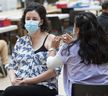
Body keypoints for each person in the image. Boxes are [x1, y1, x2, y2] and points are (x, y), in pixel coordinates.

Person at [2, 2, 60, 96]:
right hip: (21, 86)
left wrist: (30, 81)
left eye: (34, 19)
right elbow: (11, 66)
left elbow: (54, 70)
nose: (30, 21)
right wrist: (13, 80)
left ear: (41, 21)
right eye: (28, 19)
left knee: (9, 92)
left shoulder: (51, 39)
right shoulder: (21, 41)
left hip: (44, 86)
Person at [47, 12, 108, 96]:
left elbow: (50, 64)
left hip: (78, 92)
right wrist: (74, 42)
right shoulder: (104, 46)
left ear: (77, 30)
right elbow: (85, 47)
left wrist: (52, 48)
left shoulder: (69, 48)